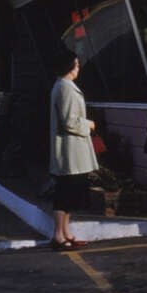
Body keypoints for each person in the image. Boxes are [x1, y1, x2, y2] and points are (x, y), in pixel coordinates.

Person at [48, 47, 99, 250]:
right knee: (64, 194)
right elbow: (69, 121)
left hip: (73, 151)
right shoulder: (65, 87)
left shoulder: (63, 86)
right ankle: (58, 235)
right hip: (69, 151)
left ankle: (66, 233)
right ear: (69, 67)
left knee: (70, 194)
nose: (79, 67)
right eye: (76, 64)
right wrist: (89, 124)